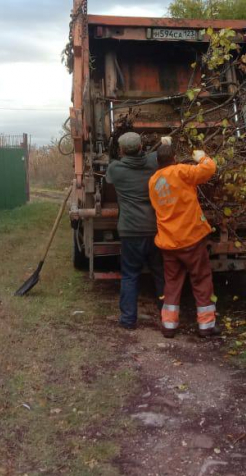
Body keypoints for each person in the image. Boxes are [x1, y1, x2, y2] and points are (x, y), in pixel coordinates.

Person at [148, 141, 220, 338]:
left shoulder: (153, 181)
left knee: (172, 282)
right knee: (201, 279)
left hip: (169, 242)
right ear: (174, 158)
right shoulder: (182, 171)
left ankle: (168, 326)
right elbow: (209, 169)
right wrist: (201, 157)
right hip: (191, 239)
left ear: (157, 161)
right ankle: (206, 326)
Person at [105, 132, 165, 330]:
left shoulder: (115, 169)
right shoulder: (154, 162)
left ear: (122, 150)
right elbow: (163, 154)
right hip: (155, 228)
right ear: (141, 147)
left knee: (130, 275)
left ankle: (128, 319)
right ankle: (167, 313)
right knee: (160, 273)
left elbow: (108, 178)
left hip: (130, 231)